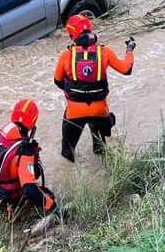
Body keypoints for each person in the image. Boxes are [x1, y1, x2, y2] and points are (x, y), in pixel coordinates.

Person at [53, 15, 135, 162]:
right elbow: (126, 69)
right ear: (90, 30)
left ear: (72, 36)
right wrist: (129, 49)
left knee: (67, 154)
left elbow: (57, 80)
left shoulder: (66, 56)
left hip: (74, 112)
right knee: (100, 150)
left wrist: (72, 90)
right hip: (99, 111)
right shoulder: (105, 52)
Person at [0, 99, 57, 215]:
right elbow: (30, 189)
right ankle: (14, 205)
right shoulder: (26, 149)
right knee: (48, 195)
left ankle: (5, 204)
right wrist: (53, 206)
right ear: (34, 120)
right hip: (8, 193)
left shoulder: (4, 130)